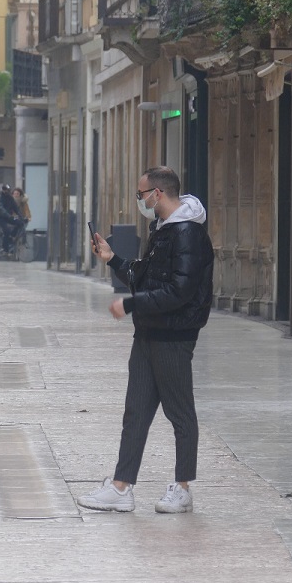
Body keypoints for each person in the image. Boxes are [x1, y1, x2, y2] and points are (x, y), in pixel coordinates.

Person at [77, 166, 214, 514]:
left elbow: (179, 291)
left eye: (141, 195)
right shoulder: (163, 230)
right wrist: (113, 260)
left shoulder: (188, 234)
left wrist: (131, 303)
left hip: (174, 336)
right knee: (136, 411)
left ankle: (182, 487)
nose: (139, 201)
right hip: (149, 332)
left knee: (180, 413)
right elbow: (146, 275)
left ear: (158, 193)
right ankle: (121, 487)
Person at [0, 184, 23, 254]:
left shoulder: (10, 198)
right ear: (3, 190)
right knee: (6, 230)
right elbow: (1, 209)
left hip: (8, 216)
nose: (6, 191)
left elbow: (16, 209)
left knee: (19, 223)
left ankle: (11, 236)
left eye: (7, 190)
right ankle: (5, 249)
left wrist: (20, 217)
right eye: (4, 189)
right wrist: (9, 215)